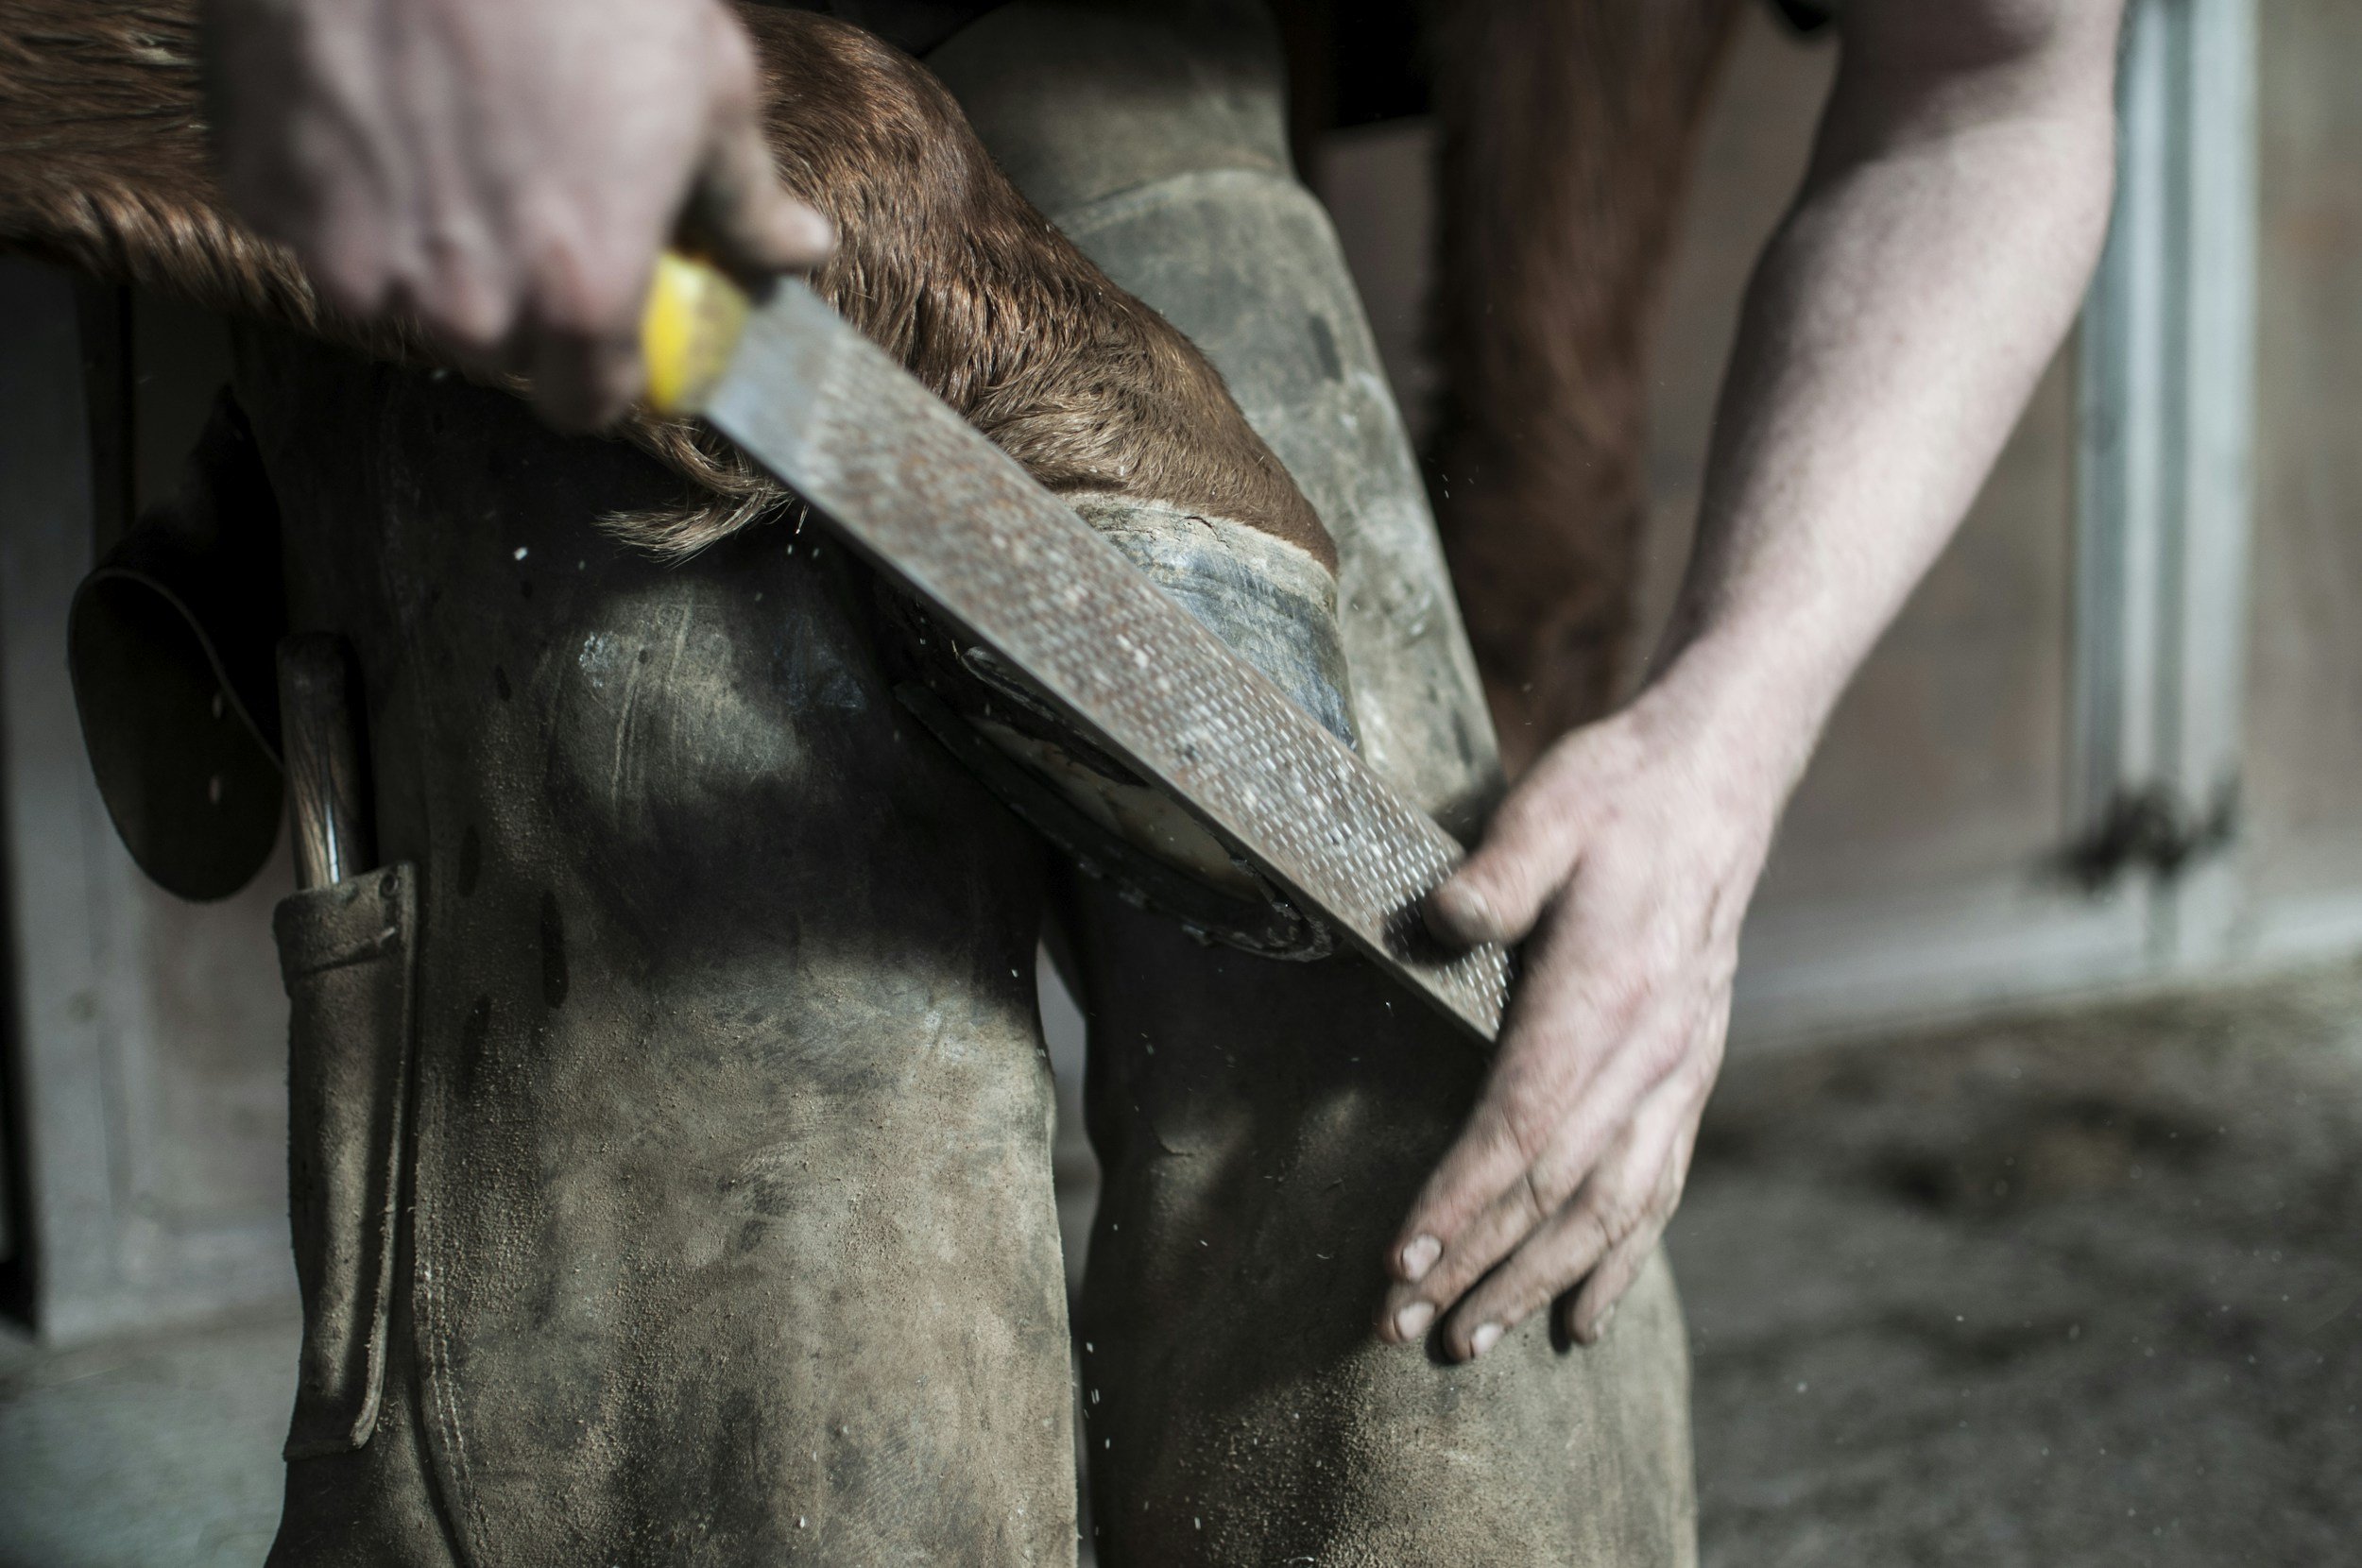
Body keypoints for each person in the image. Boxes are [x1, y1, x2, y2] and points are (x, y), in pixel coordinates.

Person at [152, 0, 2122, 1559]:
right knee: (758, 1399)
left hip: (1111, 48)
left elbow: (1991, 88)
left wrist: (1725, 732)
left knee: (1456, 1262)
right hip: (518, 116)